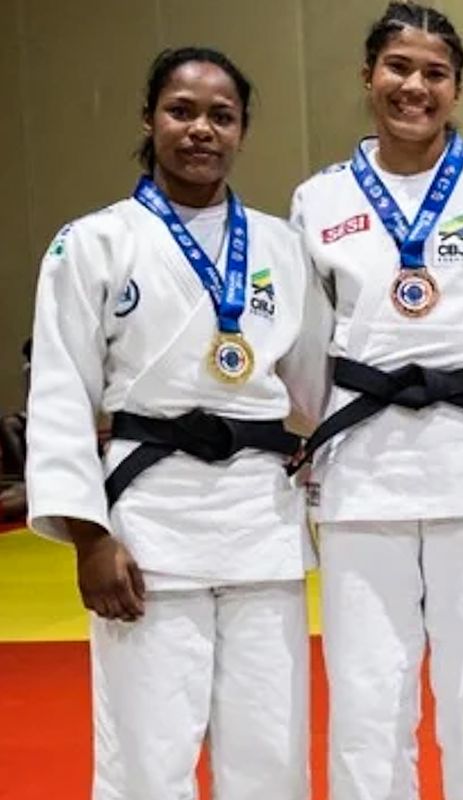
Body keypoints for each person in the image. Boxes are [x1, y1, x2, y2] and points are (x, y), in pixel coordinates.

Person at [25, 47, 324, 799]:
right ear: (149, 119)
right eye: (181, 111)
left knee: (271, 752)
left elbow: (321, 388)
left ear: (242, 131)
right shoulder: (94, 242)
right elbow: (61, 394)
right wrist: (89, 538)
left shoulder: (281, 246)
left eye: (222, 116)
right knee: (146, 758)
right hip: (149, 527)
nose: (201, 130)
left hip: (260, 523)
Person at [287, 3, 463, 797]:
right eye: (398, 67)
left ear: (456, 89)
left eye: (436, 73)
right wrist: (330, 429)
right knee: (368, 695)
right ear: (368, 76)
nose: (415, 87)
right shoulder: (321, 198)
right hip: (362, 475)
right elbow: (306, 346)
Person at [1, 340, 28, 524]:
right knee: (7, 424)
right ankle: (21, 472)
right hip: (33, 414)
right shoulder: (29, 370)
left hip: (56, 417)